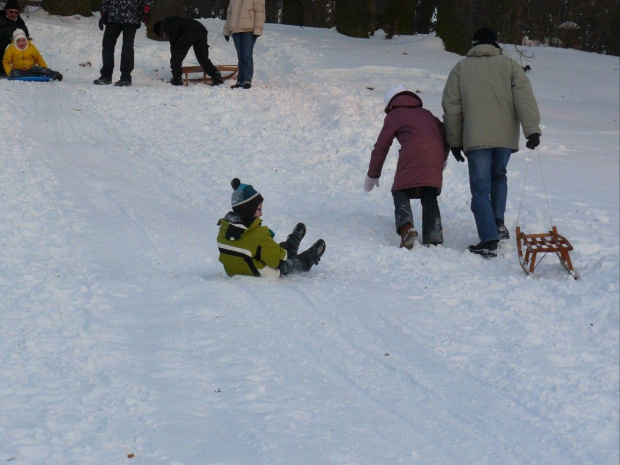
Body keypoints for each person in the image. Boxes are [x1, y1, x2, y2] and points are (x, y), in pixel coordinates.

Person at [441, 27, 541, 258]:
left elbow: (452, 108)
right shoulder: (510, 66)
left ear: (474, 44)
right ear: (496, 44)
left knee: (480, 187)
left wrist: (454, 141)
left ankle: (488, 238)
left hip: (476, 138)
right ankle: (497, 223)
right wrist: (531, 130)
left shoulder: (461, 69)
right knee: (499, 176)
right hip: (504, 138)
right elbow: (524, 99)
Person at [364, 84, 449, 249]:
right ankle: (434, 234)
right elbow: (444, 133)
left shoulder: (394, 115)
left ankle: (406, 228)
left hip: (413, 153)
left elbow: (381, 146)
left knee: (400, 190)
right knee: (428, 192)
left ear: (390, 104)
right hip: (435, 154)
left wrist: (373, 175)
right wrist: (442, 158)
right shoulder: (427, 114)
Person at [217, 178, 326, 277]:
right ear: (249, 210)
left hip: (235, 270)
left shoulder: (223, 229)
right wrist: (281, 251)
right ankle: (308, 257)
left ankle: (291, 245)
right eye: (259, 209)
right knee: (286, 263)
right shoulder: (258, 234)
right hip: (259, 273)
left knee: (265, 249)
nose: (261, 214)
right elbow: (278, 259)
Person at [94, 0, 152, 87]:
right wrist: (104, 13)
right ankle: (106, 76)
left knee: (127, 48)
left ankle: (126, 78)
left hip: (131, 17)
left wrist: (146, 9)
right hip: (113, 17)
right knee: (107, 45)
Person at [153, 16, 223, 87]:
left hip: (189, 32)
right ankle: (216, 75)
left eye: (162, 35)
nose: (165, 36)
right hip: (201, 30)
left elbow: (175, 47)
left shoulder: (167, 26)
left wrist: (175, 61)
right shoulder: (172, 21)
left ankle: (177, 78)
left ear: (161, 31)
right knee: (202, 57)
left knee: (176, 55)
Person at [223, 0, 265, 89]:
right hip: (236, 30)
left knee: (247, 56)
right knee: (240, 56)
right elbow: (230, 14)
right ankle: (240, 80)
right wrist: (226, 31)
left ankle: (247, 80)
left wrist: (258, 29)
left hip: (249, 30)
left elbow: (260, 13)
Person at [0, 0, 28, 77]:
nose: (13, 14)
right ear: (6, 11)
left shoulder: (21, 25)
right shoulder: (1, 21)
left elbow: (27, 39)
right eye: (11, 12)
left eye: (16, 12)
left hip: (16, 53)